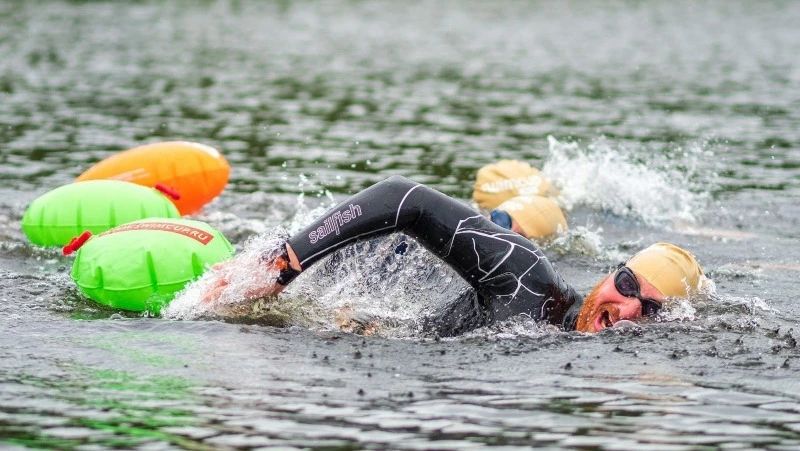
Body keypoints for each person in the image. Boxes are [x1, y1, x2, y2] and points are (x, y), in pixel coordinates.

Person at [200, 175, 706, 335]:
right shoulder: (529, 277)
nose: (630, 306)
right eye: (627, 283)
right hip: (340, 293)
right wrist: (284, 263)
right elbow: (407, 198)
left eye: (653, 308)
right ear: (608, 274)